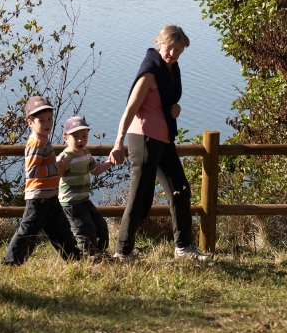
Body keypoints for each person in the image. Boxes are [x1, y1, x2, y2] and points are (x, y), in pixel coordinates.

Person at [109, 25, 208, 262]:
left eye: (179, 49)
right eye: (170, 47)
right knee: (140, 197)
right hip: (143, 140)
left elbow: (166, 103)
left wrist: (175, 109)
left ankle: (184, 249)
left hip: (164, 140)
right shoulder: (150, 72)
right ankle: (122, 252)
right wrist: (118, 142)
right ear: (159, 44)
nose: (173, 53)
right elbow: (130, 109)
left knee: (181, 191)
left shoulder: (171, 70)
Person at [1, 96, 82, 266]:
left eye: (50, 119)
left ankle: (75, 259)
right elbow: (32, 172)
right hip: (39, 198)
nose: (47, 123)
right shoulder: (36, 143)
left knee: (61, 231)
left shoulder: (43, 140)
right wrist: (57, 167)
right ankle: (9, 264)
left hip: (50, 196)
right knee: (27, 233)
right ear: (30, 122)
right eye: (41, 120)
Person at [58, 116, 113, 257]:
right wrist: (58, 167)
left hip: (83, 199)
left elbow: (95, 170)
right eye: (75, 136)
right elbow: (55, 175)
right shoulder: (64, 157)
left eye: (84, 135)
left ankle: (100, 253)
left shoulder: (86, 154)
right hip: (71, 202)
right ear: (65, 138)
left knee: (101, 225)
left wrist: (110, 162)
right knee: (85, 231)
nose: (81, 140)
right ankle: (86, 258)